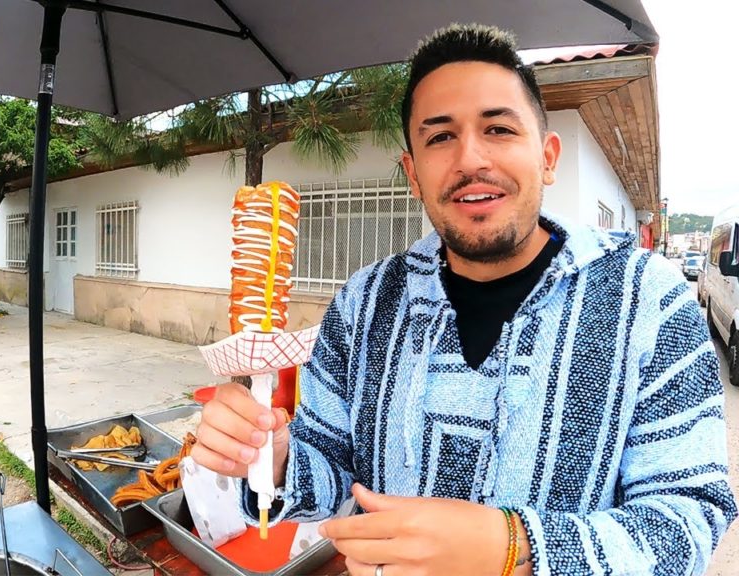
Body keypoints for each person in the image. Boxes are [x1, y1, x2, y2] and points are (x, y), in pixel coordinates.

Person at [193, 24, 736, 576]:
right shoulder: (364, 303)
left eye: (498, 128)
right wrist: (276, 457)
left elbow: (688, 519)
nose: (470, 159)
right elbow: (333, 475)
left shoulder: (647, 301)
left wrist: (513, 546)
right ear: (413, 173)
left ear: (547, 156)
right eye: (439, 137)